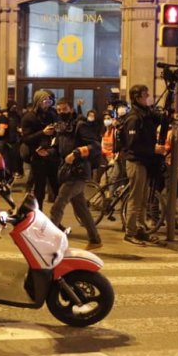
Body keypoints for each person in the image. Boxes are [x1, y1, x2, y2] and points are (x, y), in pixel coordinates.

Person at [48, 99, 102, 249]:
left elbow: (96, 146)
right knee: (81, 209)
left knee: (57, 206)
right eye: (58, 110)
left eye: (64, 109)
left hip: (78, 172)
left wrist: (77, 153)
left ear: (71, 109)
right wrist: (48, 151)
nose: (61, 112)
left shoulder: (80, 125)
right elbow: (58, 147)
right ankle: (95, 240)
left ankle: (49, 242)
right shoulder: (61, 127)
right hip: (67, 171)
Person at [122, 84, 164, 246]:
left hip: (144, 161)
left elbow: (156, 119)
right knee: (136, 198)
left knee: (143, 198)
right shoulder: (134, 117)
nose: (149, 97)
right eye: (146, 95)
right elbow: (133, 144)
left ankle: (140, 229)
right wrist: (153, 148)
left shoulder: (145, 113)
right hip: (135, 161)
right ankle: (130, 232)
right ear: (138, 97)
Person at [20, 90, 60, 209]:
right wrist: (42, 132)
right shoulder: (29, 117)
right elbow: (26, 138)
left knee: (56, 187)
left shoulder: (51, 114)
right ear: (38, 101)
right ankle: (39, 214)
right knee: (39, 189)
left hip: (51, 154)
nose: (47, 104)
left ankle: (56, 218)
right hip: (37, 154)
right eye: (45, 101)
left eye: (50, 101)